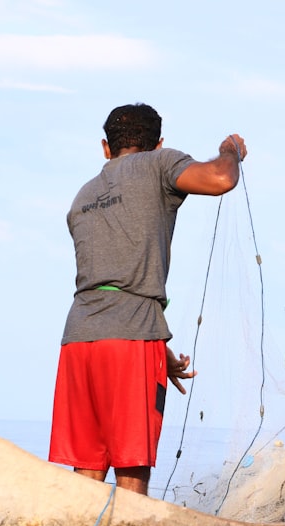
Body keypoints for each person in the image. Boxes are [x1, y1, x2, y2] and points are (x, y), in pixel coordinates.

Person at [49, 103, 248, 497]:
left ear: (106, 148)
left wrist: (162, 350)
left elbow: (113, 281)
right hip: (130, 341)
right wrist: (230, 151)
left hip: (78, 340)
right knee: (131, 466)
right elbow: (222, 178)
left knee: (87, 469)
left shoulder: (82, 197)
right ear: (158, 144)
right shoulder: (159, 163)